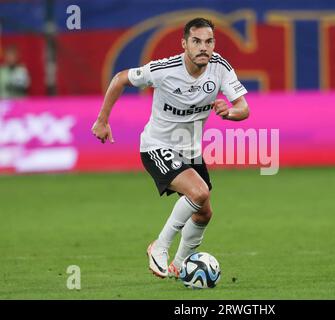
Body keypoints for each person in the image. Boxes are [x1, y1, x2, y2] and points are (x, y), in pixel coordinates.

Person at [91, 18, 249, 279]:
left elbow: (244, 108)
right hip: (156, 146)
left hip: (190, 151)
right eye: (196, 41)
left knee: (204, 213)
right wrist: (102, 120)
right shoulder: (165, 69)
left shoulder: (219, 67)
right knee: (198, 192)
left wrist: (230, 111)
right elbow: (120, 79)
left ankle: (179, 265)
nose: (203, 48)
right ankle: (159, 247)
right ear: (184, 44)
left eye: (208, 41)